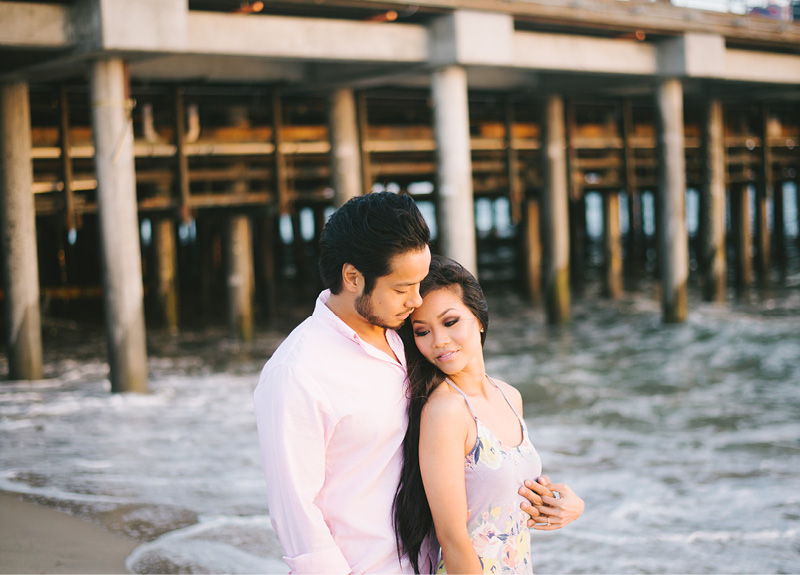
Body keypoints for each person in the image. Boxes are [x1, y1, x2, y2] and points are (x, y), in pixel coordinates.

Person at [254, 192, 565, 574]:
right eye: (403, 288)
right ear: (352, 277)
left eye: (419, 283)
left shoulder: (407, 338)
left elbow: (480, 446)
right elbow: (295, 512)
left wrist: (557, 500)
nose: (416, 300)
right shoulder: (299, 372)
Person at [394, 255, 584, 574]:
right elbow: (452, 538)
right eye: (422, 331)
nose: (438, 341)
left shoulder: (509, 396)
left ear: (479, 318)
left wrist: (567, 505)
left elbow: (501, 502)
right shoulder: (445, 411)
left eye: (450, 322)